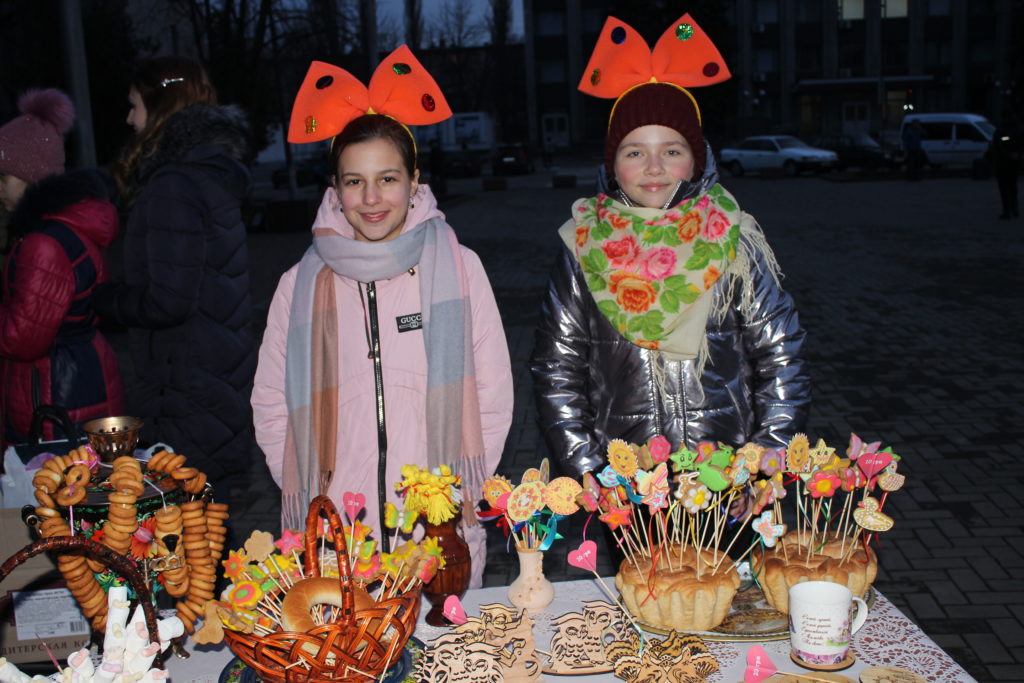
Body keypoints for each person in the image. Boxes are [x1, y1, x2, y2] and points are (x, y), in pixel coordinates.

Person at [251, 48, 513, 587]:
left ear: (415, 179)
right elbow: (271, 402)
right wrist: (312, 488)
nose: (371, 199)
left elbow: (493, 394)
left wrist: (459, 494)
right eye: (354, 181)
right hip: (339, 537)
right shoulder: (299, 285)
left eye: (388, 178)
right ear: (335, 189)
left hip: (434, 530)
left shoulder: (460, 270)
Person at [530, 15, 810, 480]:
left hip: (725, 477)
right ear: (612, 164)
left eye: (673, 150)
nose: (654, 167)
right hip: (629, 484)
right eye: (634, 151)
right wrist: (591, 471)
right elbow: (557, 369)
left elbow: (782, 357)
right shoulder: (582, 246)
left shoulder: (736, 240)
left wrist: (763, 459)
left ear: (696, 159)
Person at [93, 57, 255, 492]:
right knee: (203, 519)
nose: (129, 118)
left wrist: (101, 298)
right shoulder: (203, 176)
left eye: (135, 105)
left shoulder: (174, 185)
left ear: (161, 104)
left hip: (186, 384)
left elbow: (167, 299)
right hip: (208, 377)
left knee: (187, 526)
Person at [0, 89, 124, 447]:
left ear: (30, 176)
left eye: (4, 178)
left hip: (57, 393)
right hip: (70, 383)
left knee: (61, 495)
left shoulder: (44, 242)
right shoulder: (56, 230)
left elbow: (22, 338)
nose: (0, 189)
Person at [988, 118, 1020, 219]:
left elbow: (998, 145)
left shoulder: (1002, 132)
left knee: (1005, 188)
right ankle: (1014, 209)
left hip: (1003, 163)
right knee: (1013, 187)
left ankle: (1007, 211)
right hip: (1013, 163)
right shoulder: (1017, 131)